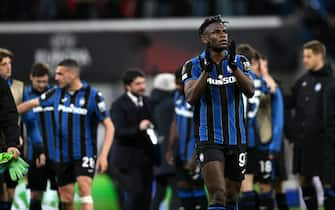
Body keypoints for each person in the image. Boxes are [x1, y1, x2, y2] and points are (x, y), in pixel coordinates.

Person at [18, 58, 115, 210]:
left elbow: (109, 126)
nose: (55, 78)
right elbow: (32, 104)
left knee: (84, 189)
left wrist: (104, 155)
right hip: (62, 156)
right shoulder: (55, 93)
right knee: (66, 199)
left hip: (85, 153)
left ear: (72, 75)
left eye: (60, 74)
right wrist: (8, 114)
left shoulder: (93, 95)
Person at [182, 15, 254, 210]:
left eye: (224, 31)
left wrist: (233, 68)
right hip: (209, 139)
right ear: (205, 39)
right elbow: (190, 97)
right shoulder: (193, 65)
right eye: (216, 32)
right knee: (217, 195)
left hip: (237, 138)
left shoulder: (240, 61)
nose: (222, 35)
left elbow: (250, 91)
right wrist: (206, 71)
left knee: (232, 197)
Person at [285, 40, 333, 210]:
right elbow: (288, 102)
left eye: (308, 56)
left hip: (324, 142)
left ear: (319, 55)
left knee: (327, 182)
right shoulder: (302, 81)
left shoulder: (330, 81)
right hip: (303, 141)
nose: (304, 60)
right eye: (304, 56)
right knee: (304, 181)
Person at [109, 69, 157, 210]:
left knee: (146, 198)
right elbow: (118, 132)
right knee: (134, 196)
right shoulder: (118, 105)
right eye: (138, 84)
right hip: (127, 161)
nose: (143, 86)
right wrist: (139, 128)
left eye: (143, 83)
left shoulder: (148, 102)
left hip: (147, 159)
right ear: (127, 86)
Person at [166, 68, 208, 210]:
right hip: (180, 151)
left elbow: (204, 130)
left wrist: (195, 156)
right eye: (176, 83)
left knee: (197, 186)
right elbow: (174, 122)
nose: (177, 87)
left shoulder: (200, 100)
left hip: (194, 152)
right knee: (183, 186)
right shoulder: (177, 96)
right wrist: (170, 148)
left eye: (180, 83)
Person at [22, 63, 59, 210]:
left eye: (45, 81)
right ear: (31, 77)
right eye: (39, 81)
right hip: (35, 153)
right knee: (36, 194)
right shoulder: (25, 95)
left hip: (57, 153)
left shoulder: (55, 93)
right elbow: (26, 122)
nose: (42, 85)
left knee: (65, 193)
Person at [150, 73, 179, 210]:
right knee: (177, 193)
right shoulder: (172, 104)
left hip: (157, 156)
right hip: (170, 155)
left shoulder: (152, 104)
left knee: (159, 194)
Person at [0, 48, 24, 210]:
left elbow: (11, 114)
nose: (8, 67)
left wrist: (13, 141)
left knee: (8, 188)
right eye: (4, 64)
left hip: (5, 144)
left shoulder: (16, 86)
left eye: (9, 63)